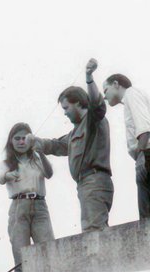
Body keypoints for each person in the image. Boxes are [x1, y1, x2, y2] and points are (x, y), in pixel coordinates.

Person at [30, 58, 113, 232]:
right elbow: (57, 145)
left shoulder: (93, 120)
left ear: (78, 102)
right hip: (86, 185)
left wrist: (89, 77)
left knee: (94, 232)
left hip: (95, 181)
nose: (65, 113)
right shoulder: (75, 132)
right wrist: (36, 142)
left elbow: (97, 104)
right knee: (92, 231)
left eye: (66, 108)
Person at [102, 72, 150, 218]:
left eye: (106, 90)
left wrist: (140, 156)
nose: (105, 96)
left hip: (149, 156)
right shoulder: (141, 95)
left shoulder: (131, 94)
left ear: (116, 84)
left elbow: (143, 128)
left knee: (149, 218)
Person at [0, 123, 54, 272]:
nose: (21, 142)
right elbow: (1, 177)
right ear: (11, 141)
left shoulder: (36, 158)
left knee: (48, 250)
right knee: (21, 256)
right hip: (18, 207)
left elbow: (49, 173)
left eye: (24, 138)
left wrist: (40, 151)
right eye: (17, 138)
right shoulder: (6, 163)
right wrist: (9, 175)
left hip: (39, 206)